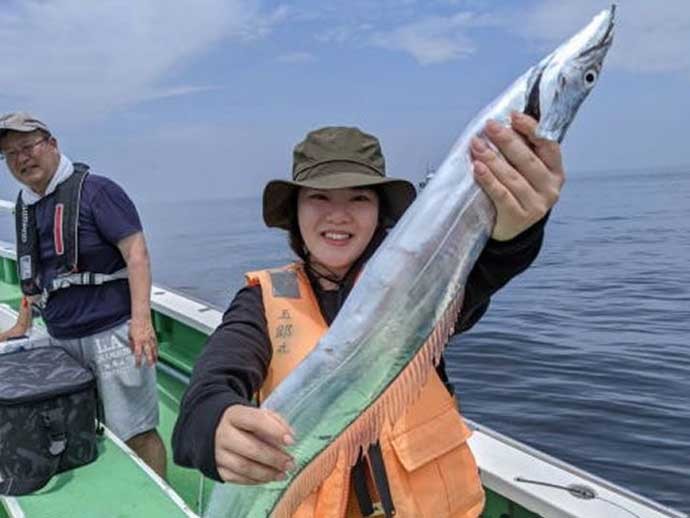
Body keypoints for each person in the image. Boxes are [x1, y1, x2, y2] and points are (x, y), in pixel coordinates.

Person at [172, 116, 564, 517]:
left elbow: (485, 269)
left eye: (359, 198)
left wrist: (518, 232)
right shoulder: (260, 302)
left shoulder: (419, 288)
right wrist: (213, 426)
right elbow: (209, 388)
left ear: (380, 212)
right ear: (295, 212)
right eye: (319, 197)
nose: (339, 215)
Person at [0, 112, 167, 479]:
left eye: (28, 147)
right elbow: (38, 274)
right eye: (10, 154)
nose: (21, 158)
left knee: (136, 430)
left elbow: (136, 253)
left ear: (53, 144)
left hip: (111, 332)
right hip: (60, 336)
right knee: (80, 428)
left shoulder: (98, 191)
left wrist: (141, 323)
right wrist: (22, 322)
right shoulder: (26, 205)